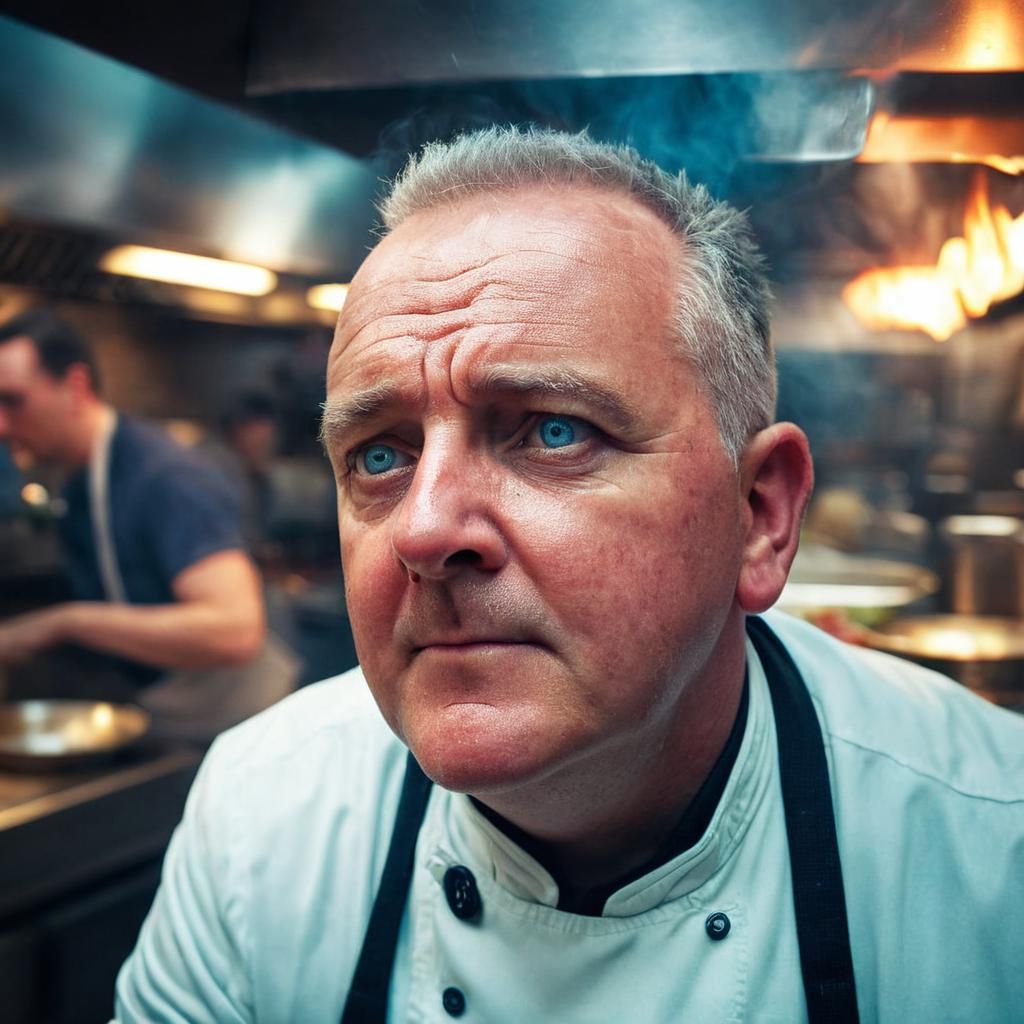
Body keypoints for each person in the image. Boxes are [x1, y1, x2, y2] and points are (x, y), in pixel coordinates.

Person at [114, 128, 1024, 1022]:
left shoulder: (992, 851)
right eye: (380, 456)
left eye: (553, 432)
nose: (423, 530)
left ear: (759, 517)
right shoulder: (261, 823)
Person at [0, 310, 297, 742]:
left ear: (76, 386)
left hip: (245, 722)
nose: (2, 425)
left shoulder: (164, 475)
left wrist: (63, 623)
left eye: (13, 401)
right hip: (176, 711)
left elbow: (234, 629)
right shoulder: (80, 483)